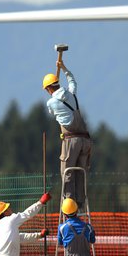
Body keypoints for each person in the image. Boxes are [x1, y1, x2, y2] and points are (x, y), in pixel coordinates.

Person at [43, 58, 92, 210]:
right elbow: (72, 80)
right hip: (86, 141)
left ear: (48, 89)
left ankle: (69, 206)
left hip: (71, 142)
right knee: (81, 174)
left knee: (67, 174)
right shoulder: (72, 94)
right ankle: (81, 205)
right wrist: (63, 67)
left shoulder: (51, 103)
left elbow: (52, 111)